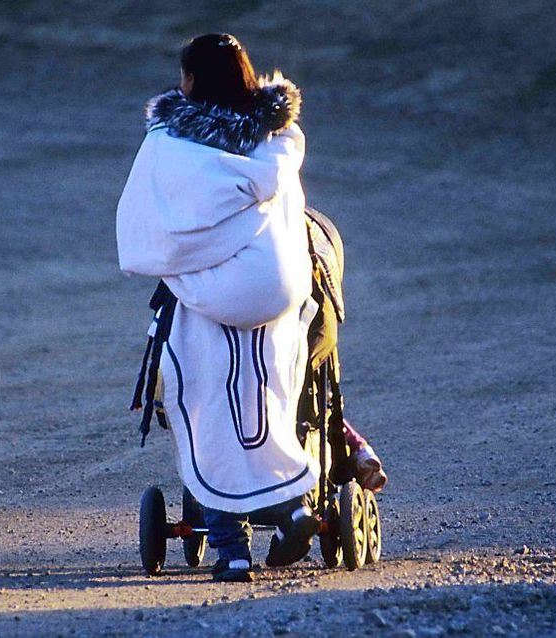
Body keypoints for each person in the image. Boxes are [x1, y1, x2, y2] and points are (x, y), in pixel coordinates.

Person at [116, 33, 384, 582]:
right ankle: (292, 512)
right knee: (271, 397)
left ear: (191, 81)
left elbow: (152, 221)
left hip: (214, 297)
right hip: (280, 293)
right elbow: (290, 219)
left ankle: (232, 549)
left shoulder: (171, 140)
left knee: (206, 403)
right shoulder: (281, 137)